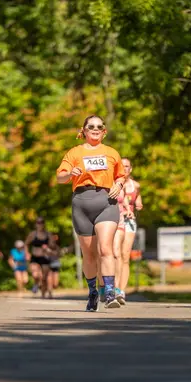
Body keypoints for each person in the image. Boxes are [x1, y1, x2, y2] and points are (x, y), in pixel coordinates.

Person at [56, 114, 125, 311]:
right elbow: (60, 177)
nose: (95, 129)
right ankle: (93, 292)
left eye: (99, 126)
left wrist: (119, 184)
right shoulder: (74, 153)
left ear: (104, 132)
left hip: (106, 202)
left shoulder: (111, 152)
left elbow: (121, 175)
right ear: (84, 131)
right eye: (91, 126)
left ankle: (110, 292)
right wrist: (70, 174)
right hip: (82, 203)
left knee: (106, 248)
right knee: (89, 254)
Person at [118, 158, 143, 302]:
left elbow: (139, 200)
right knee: (116, 255)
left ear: (131, 169)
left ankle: (121, 291)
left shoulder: (136, 186)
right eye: (122, 166)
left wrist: (138, 205)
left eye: (127, 166)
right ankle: (111, 288)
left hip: (129, 221)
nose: (124, 169)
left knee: (125, 255)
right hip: (115, 220)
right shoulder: (113, 183)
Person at [25, 218, 54, 298]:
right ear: (35, 224)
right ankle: (36, 283)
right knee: (35, 275)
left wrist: (48, 246)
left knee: (44, 277)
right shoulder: (32, 234)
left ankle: (43, 294)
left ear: (44, 224)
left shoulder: (48, 234)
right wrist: (27, 253)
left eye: (41, 222)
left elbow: (53, 246)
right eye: (38, 222)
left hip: (44, 257)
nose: (40, 224)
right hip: (35, 257)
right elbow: (26, 244)